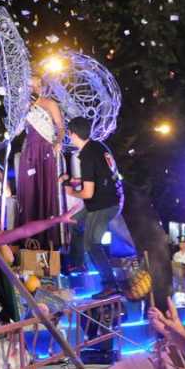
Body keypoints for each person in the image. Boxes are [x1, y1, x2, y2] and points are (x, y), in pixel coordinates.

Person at [62, 116, 124, 299]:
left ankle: (110, 284)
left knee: (92, 244)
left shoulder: (87, 155)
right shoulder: (98, 146)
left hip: (102, 205)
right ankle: (78, 263)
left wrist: (69, 190)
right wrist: (76, 180)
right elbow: (100, 174)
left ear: (72, 134)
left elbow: (87, 194)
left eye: (69, 134)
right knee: (73, 221)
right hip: (110, 197)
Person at [15, 76, 65, 248]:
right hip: (30, 152)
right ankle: (27, 242)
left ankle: (48, 241)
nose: (34, 88)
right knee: (29, 194)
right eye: (31, 86)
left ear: (42, 87)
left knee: (46, 191)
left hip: (45, 151)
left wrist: (58, 141)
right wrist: (24, 109)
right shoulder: (23, 106)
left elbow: (61, 127)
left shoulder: (50, 104)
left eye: (37, 85)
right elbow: (17, 129)